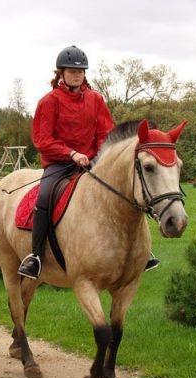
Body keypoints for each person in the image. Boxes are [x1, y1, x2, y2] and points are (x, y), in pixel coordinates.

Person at [17, 46, 159, 280]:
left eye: (81, 70)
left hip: (93, 163)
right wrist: (71, 153)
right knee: (44, 197)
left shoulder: (95, 99)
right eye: (72, 70)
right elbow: (42, 139)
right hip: (59, 164)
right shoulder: (49, 101)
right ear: (60, 73)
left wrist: (100, 156)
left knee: (126, 192)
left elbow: (106, 132)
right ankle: (36, 257)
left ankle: (141, 253)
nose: (77, 74)